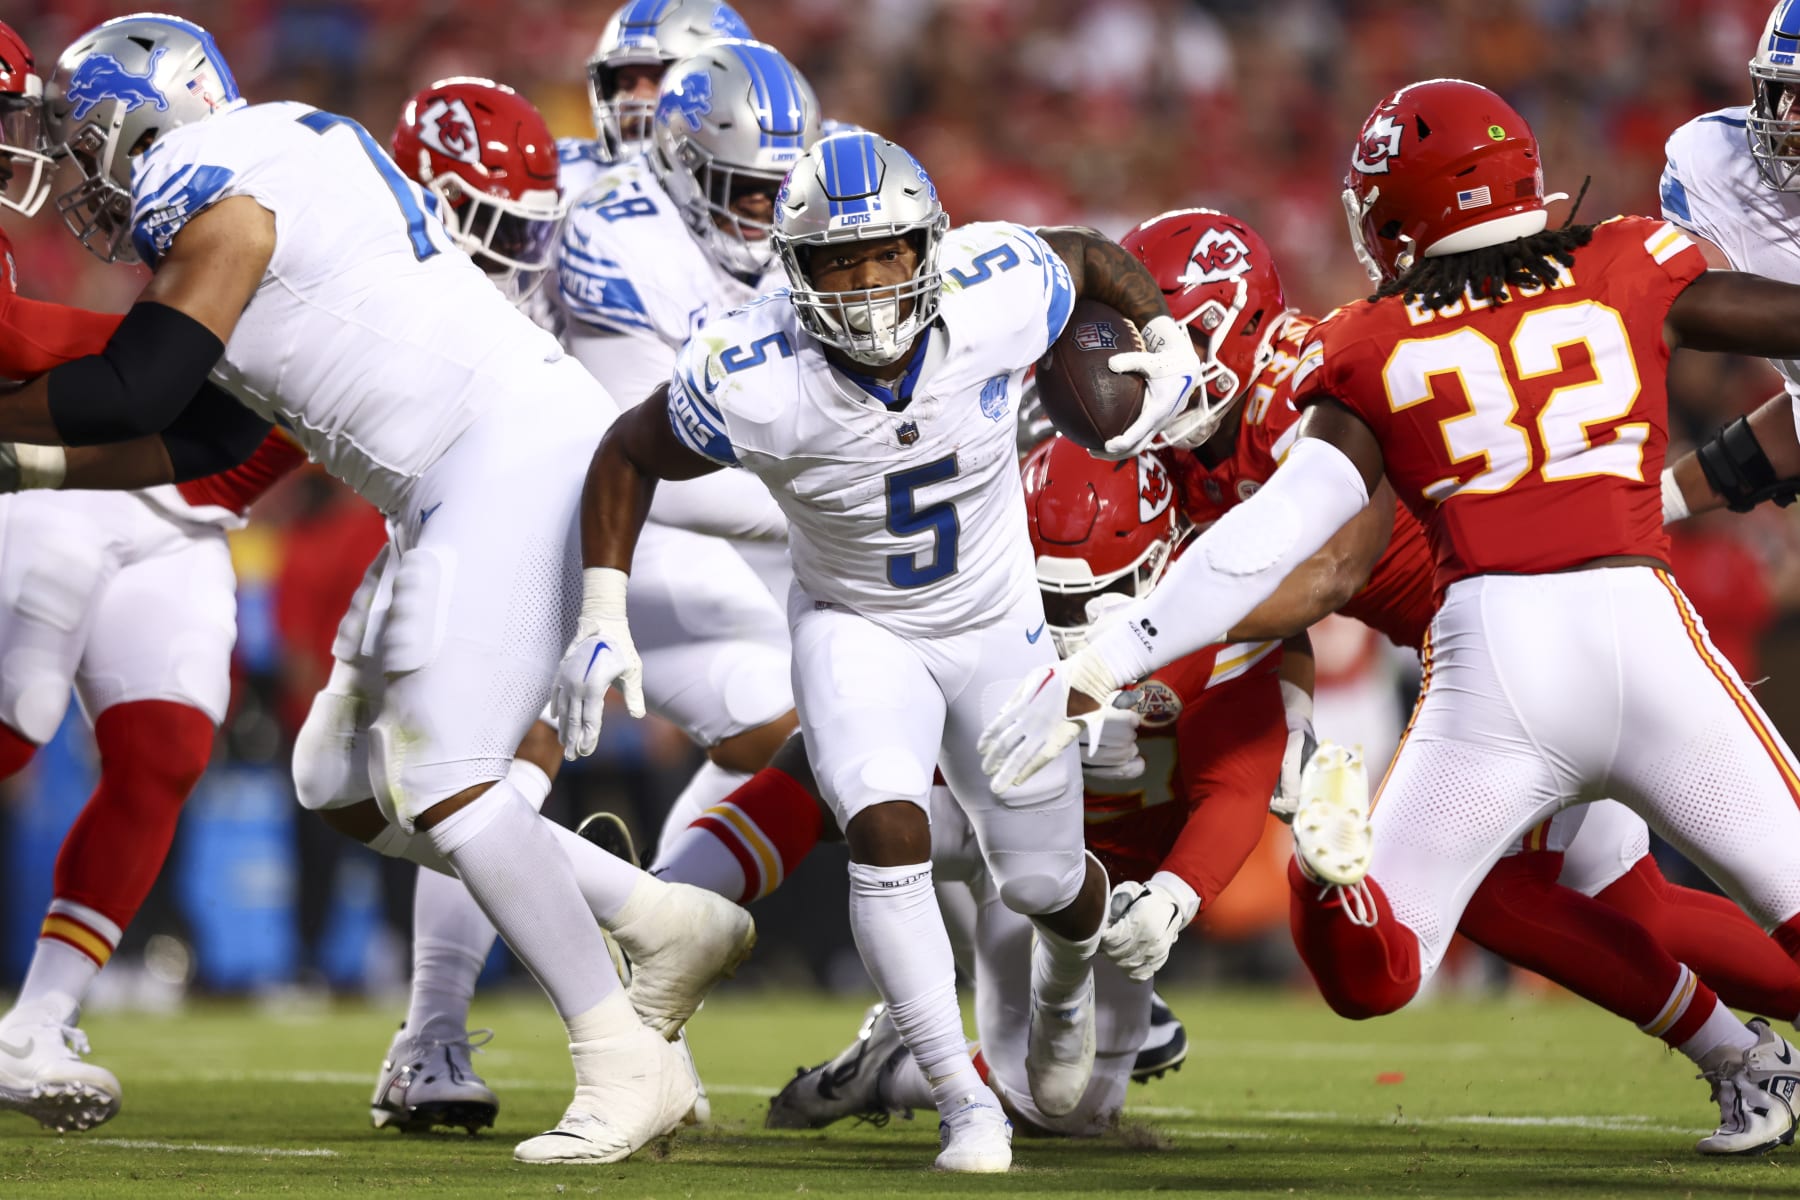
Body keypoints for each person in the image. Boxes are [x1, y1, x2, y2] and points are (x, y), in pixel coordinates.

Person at [980, 78, 1800, 1156]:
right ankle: (1747, 1060)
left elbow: (1286, 553)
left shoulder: (1364, 341)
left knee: (1405, 962)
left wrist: (1108, 657)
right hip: (1633, 623)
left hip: (1487, 663)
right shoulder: (1629, 254)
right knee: (1623, 903)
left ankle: (1338, 885)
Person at [8, 14, 750, 1165]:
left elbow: (136, 385)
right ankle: (658, 915)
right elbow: (204, 432)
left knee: (448, 776)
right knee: (338, 775)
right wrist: (26, 460)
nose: (78, 171)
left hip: (502, 455)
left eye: (86, 136)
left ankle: (622, 1060)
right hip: (467, 468)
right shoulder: (270, 166)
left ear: (141, 121)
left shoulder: (220, 177)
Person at [551, 129, 1202, 1172]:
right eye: (838, 263)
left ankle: (1063, 986)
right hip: (858, 624)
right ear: (795, 272)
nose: (865, 285)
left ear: (929, 249)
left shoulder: (993, 290)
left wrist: (1159, 328)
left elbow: (1081, 253)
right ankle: (965, 1107)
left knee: (1044, 885)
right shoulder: (752, 370)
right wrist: (601, 609)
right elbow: (627, 450)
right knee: (886, 830)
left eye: (887, 254)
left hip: (997, 620)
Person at [0, 19, 306, 1133]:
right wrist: (147, 354)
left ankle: (34, 1026)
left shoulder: (273, 215)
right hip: (69, 489)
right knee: (19, 718)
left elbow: (273, 433)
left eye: (90, 142)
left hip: (182, 516)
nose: (64, 168)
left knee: (168, 749)